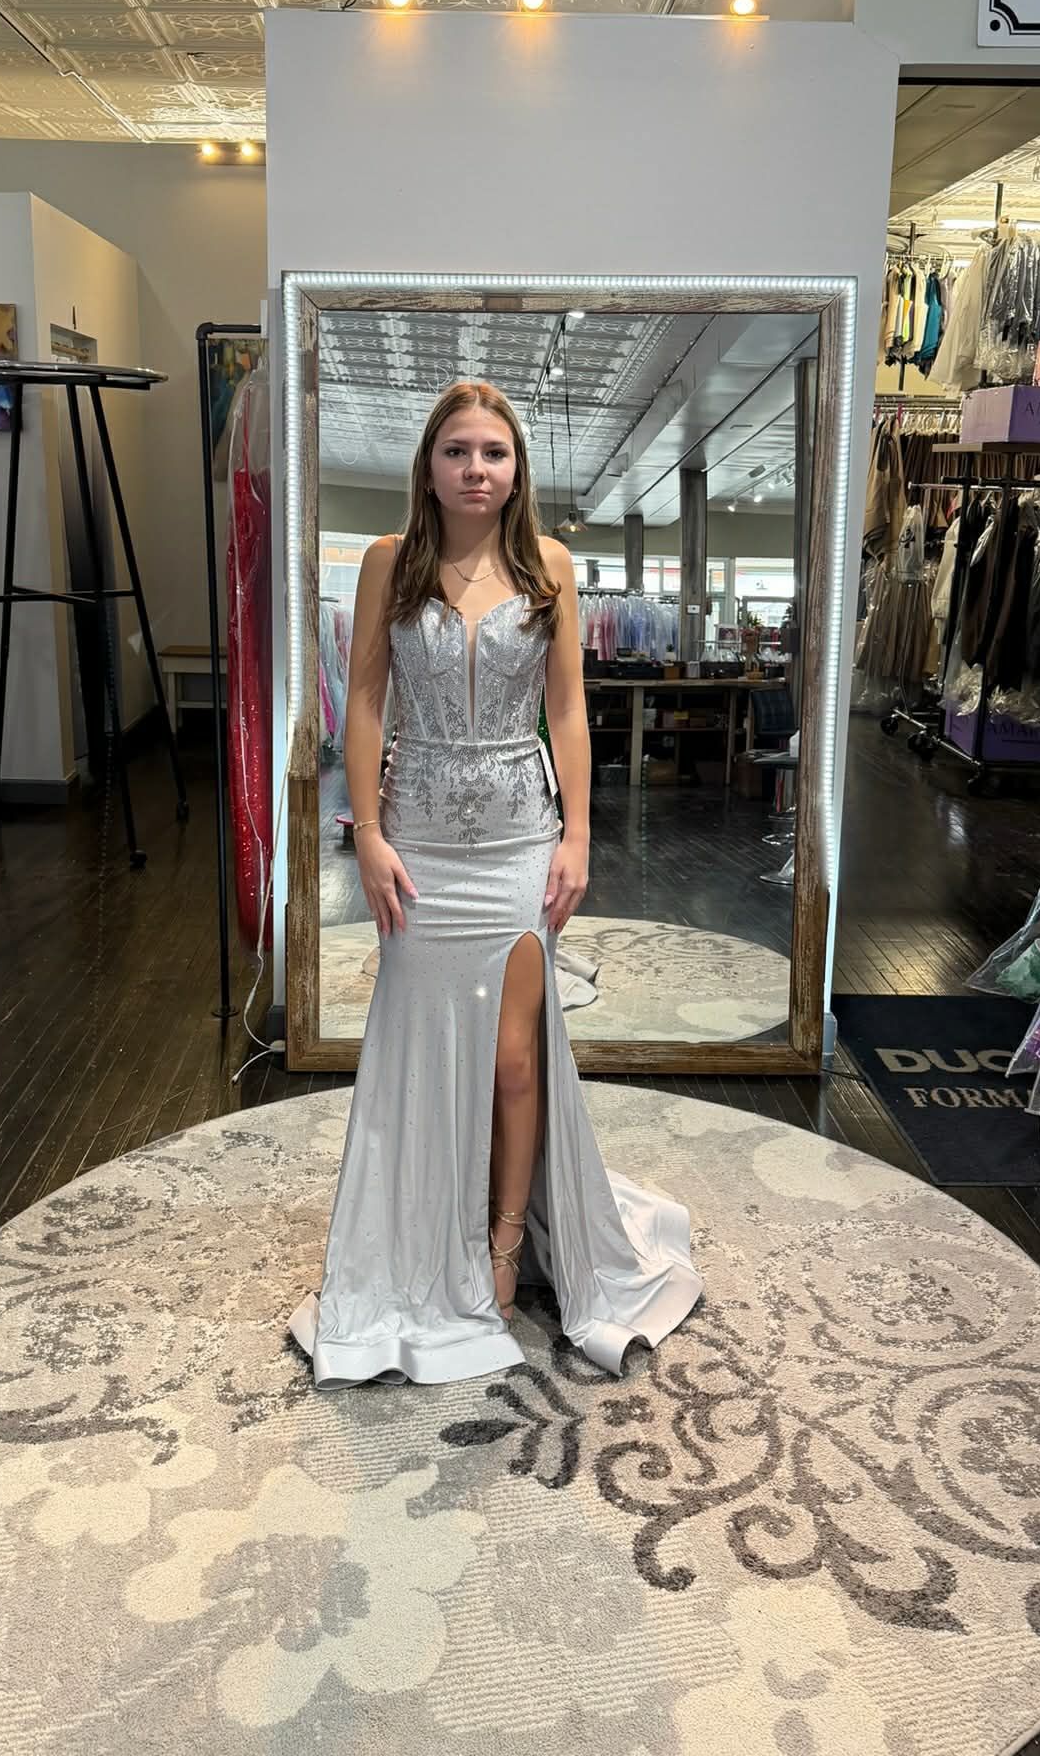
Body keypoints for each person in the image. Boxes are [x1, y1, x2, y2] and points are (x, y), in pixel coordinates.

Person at [287, 380, 703, 1387]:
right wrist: (370, 832)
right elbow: (367, 705)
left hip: (520, 839)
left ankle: (505, 1243)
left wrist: (579, 833)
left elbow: (568, 713)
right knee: (426, 1054)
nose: (478, 468)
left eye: (496, 452)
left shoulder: (547, 566)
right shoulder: (391, 563)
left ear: (518, 467)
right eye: (459, 450)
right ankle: (424, 1231)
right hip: (421, 842)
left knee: (516, 1061)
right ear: (428, 463)